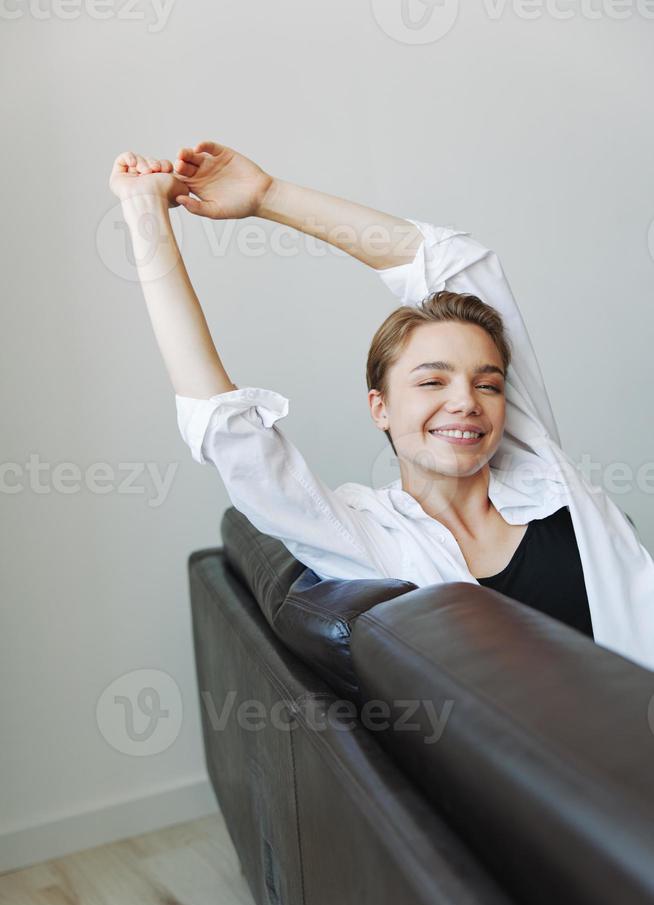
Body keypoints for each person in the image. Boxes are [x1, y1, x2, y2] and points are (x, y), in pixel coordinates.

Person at [108, 144, 654, 668]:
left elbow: (455, 261)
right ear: (380, 407)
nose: (466, 402)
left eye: (488, 385)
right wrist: (145, 211)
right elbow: (223, 422)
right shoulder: (365, 535)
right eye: (431, 382)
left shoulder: (540, 471)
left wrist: (267, 194)